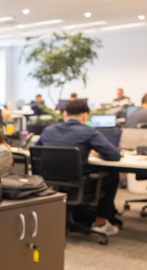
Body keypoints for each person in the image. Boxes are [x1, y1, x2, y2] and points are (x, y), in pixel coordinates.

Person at [36, 99, 121, 235]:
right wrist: (98, 154)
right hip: (77, 184)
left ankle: (80, 215)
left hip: (48, 183)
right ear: (85, 116)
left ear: (65, 114)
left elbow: (36, 152)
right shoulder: (89, 132)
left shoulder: (48, 130)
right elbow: (114, 155)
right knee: (112, 175)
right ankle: (100, 221)